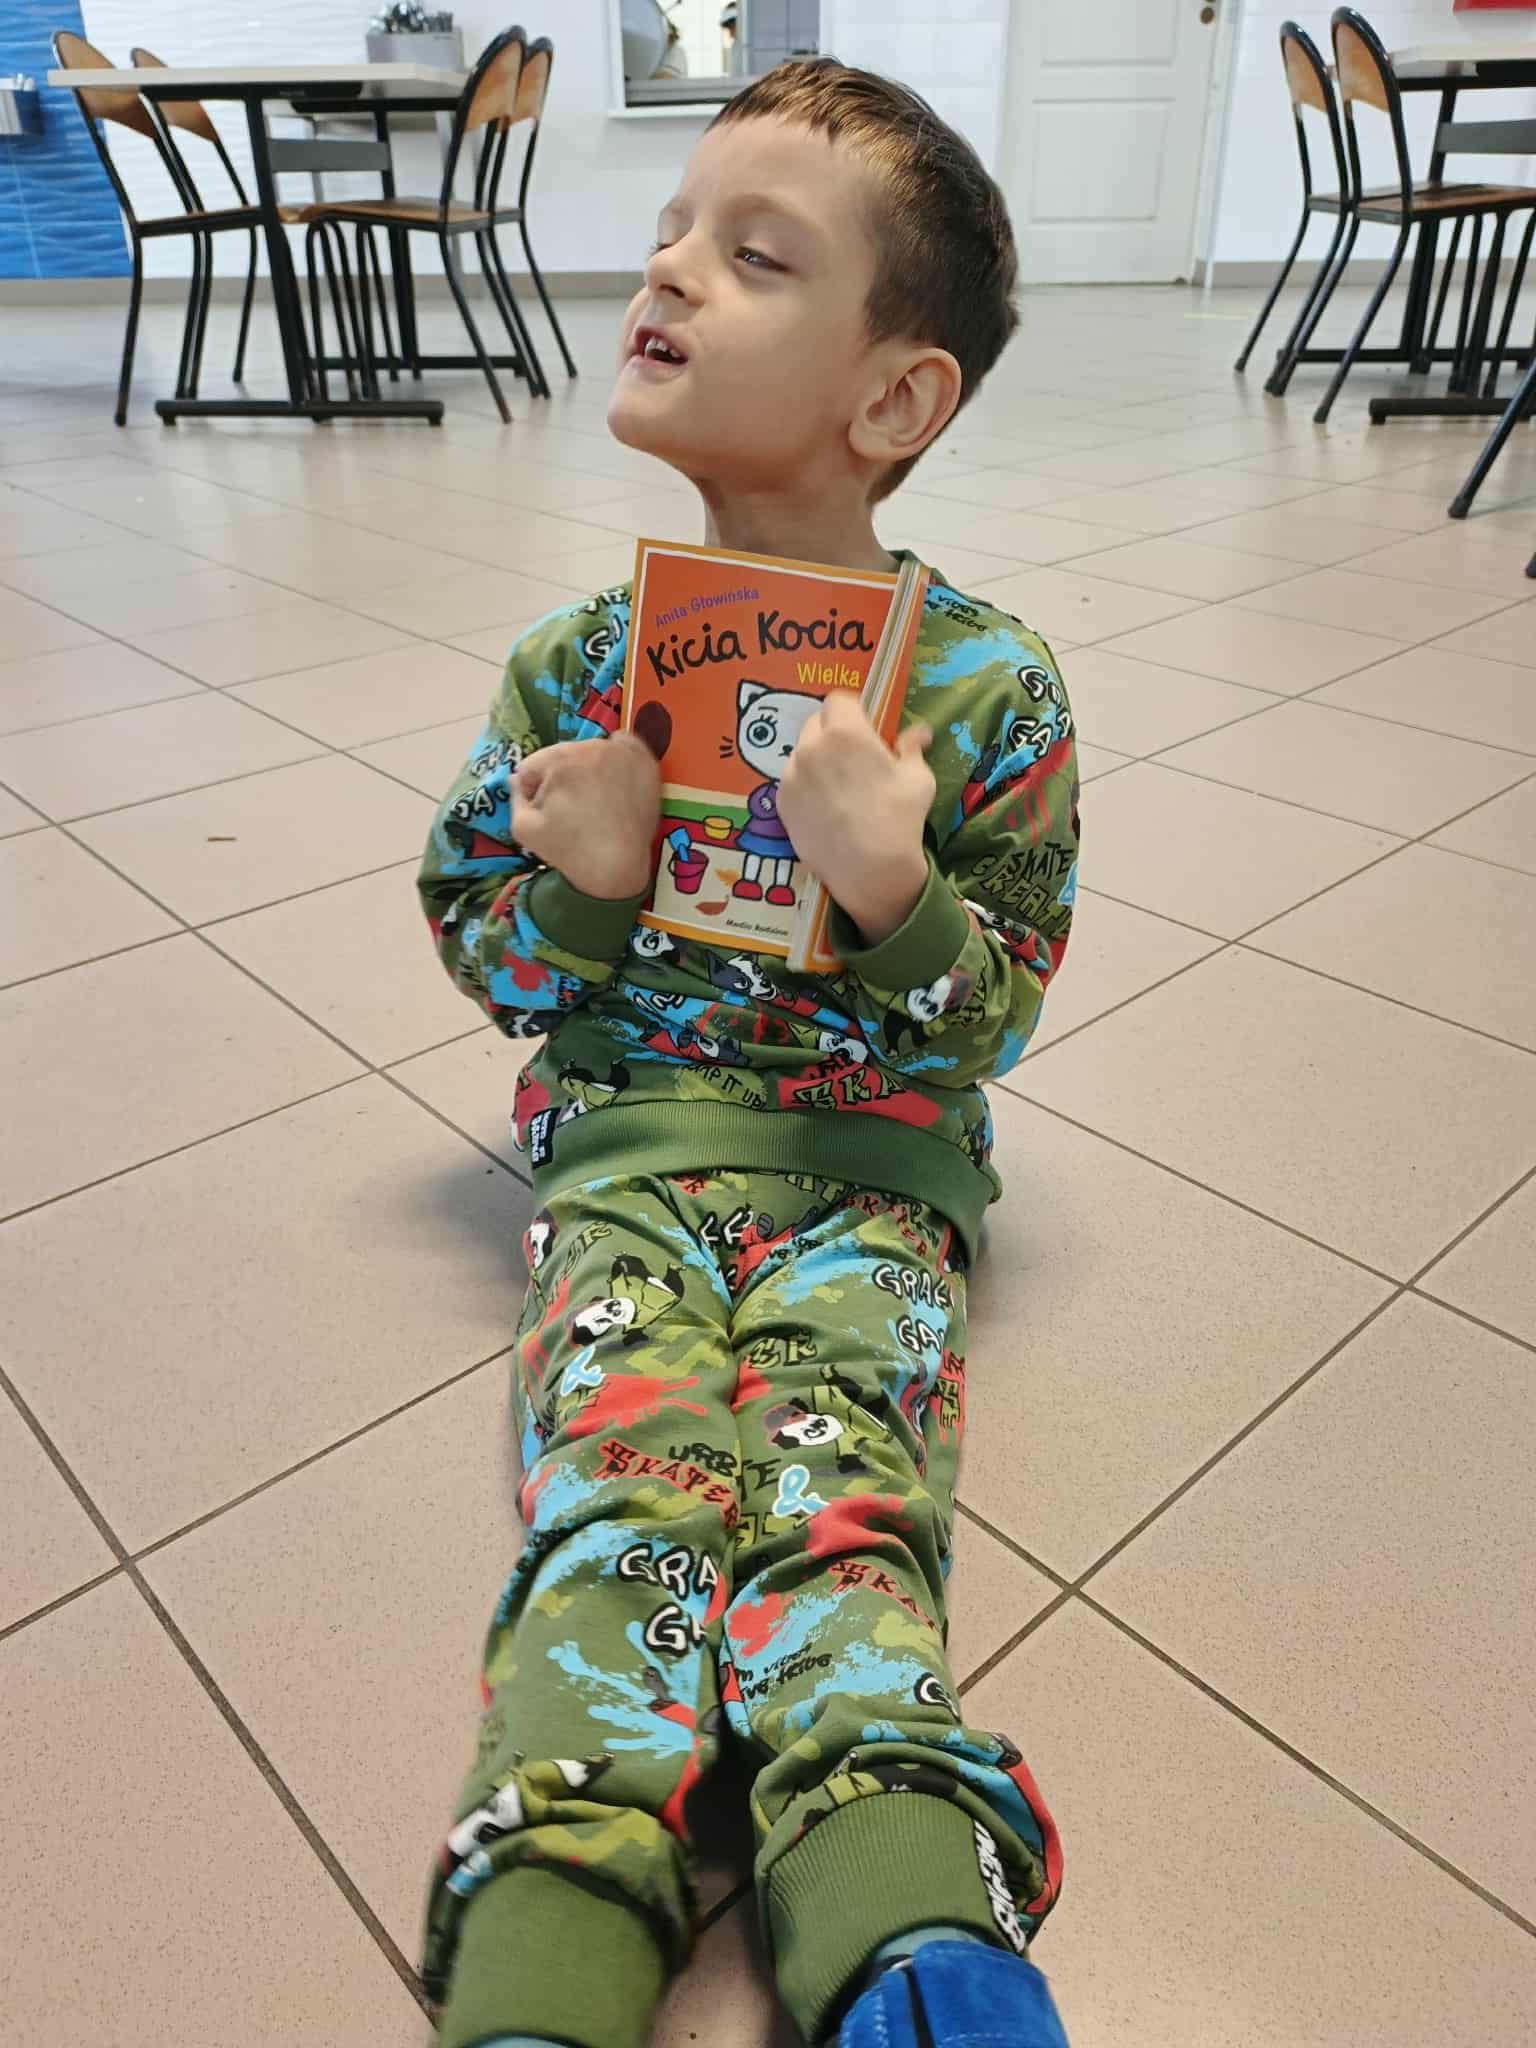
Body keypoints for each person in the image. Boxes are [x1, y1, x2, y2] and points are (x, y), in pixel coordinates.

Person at [416, 58, 1078, 2048]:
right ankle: (543, 1959)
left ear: (895, 400)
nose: (670, 268)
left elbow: (1002, 1005)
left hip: (873, 1183)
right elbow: (483, 947)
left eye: (755, 254)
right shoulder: (571, 667)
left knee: (840, 1510)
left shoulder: (990, 690)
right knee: (619, 1517)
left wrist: (895, 889)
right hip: (628, 1167)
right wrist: (585, 891)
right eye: (670, 233)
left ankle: (911, 1927)